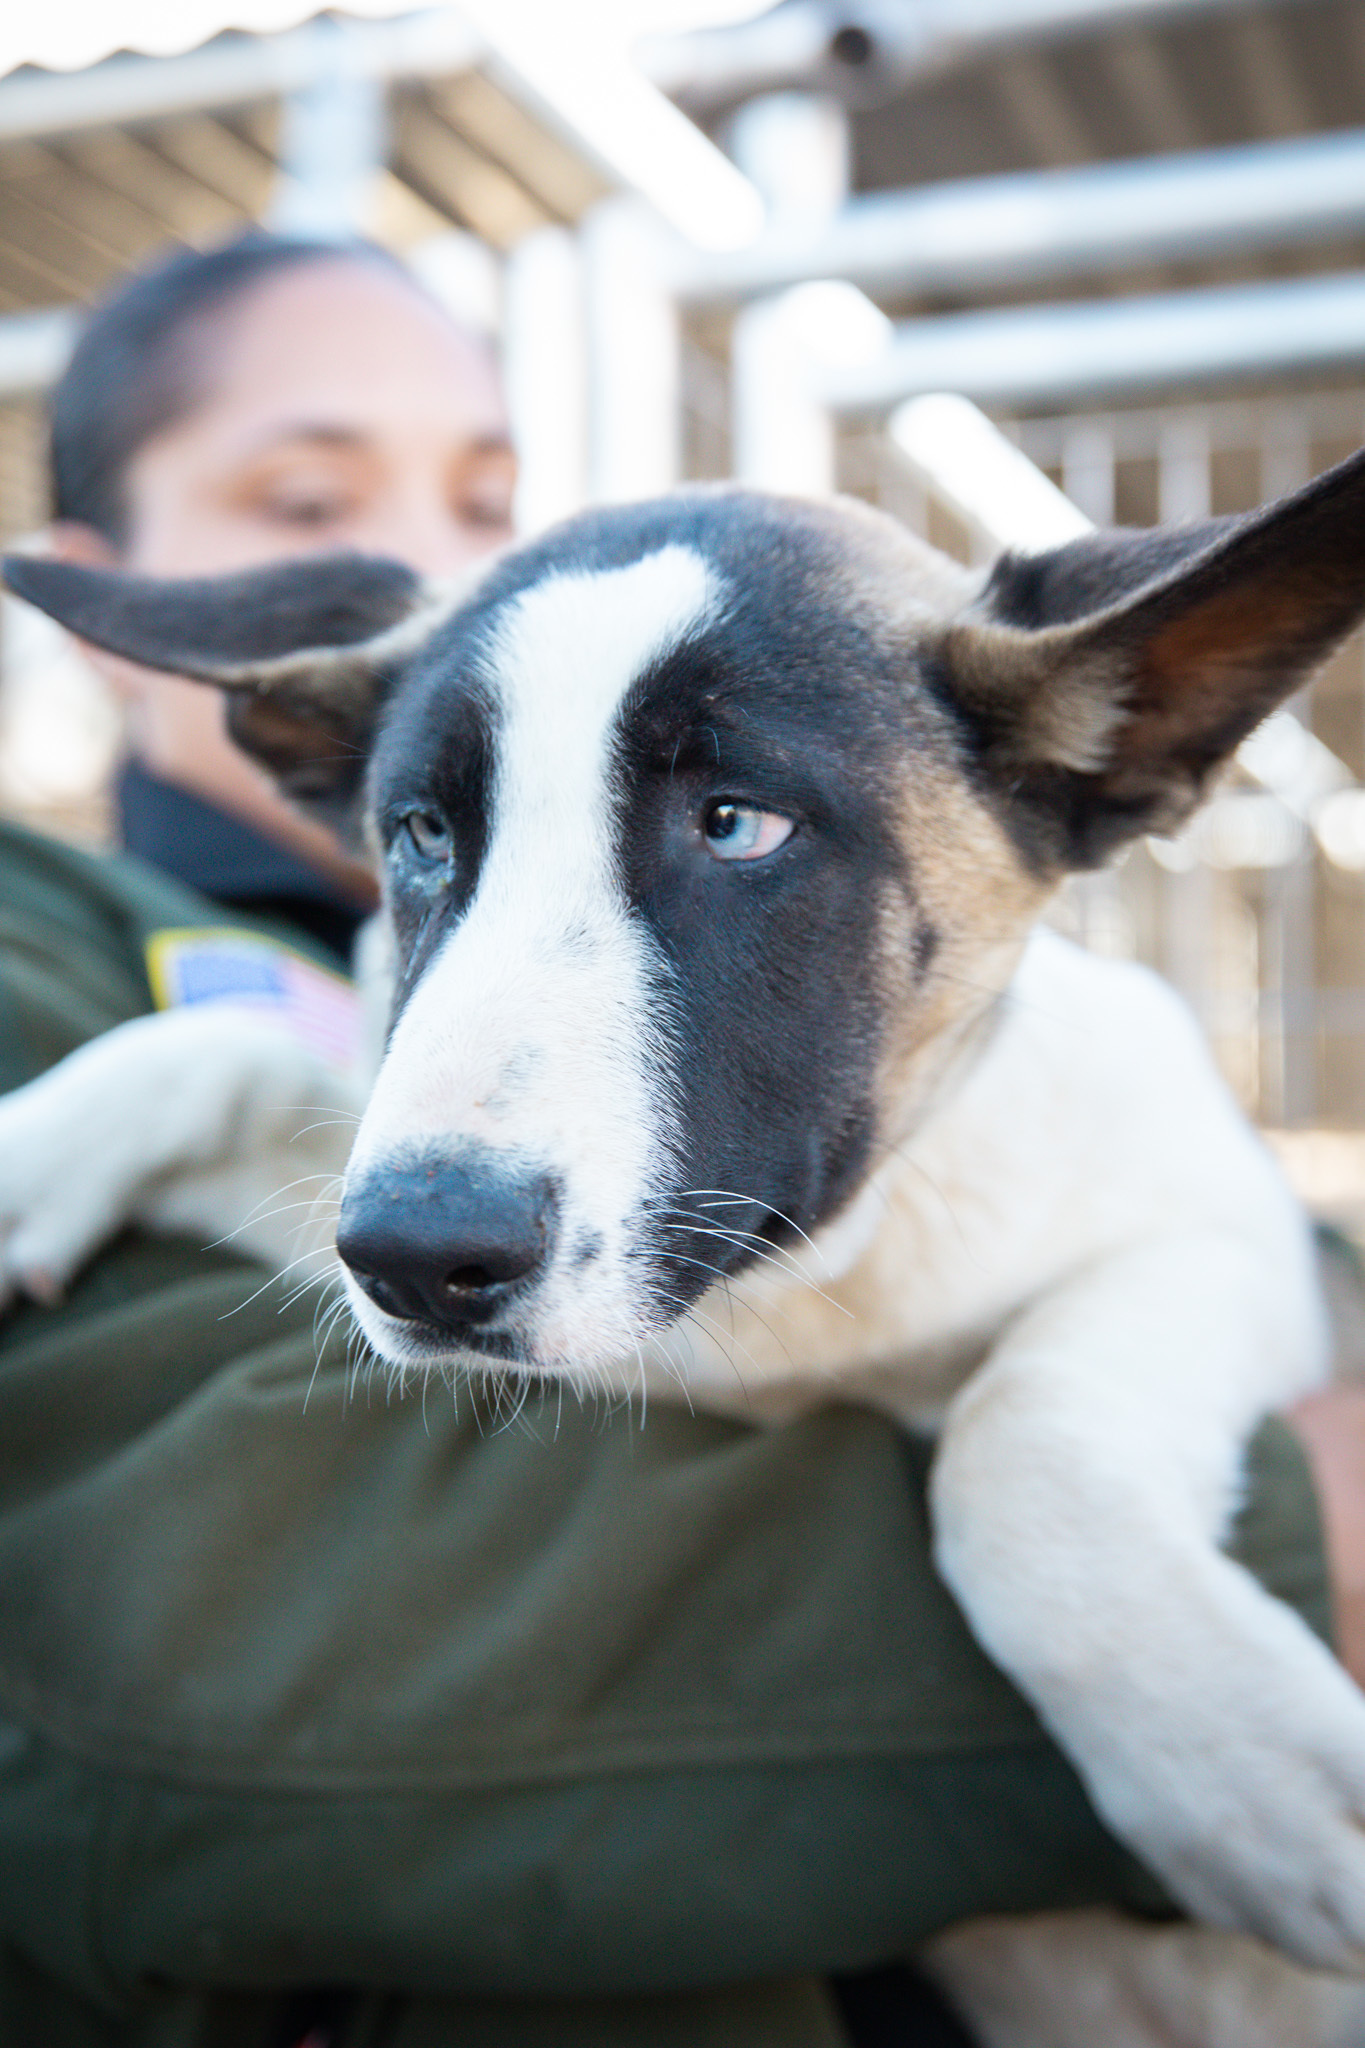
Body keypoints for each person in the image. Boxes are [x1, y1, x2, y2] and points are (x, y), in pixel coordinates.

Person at [0, 230, 1360, 2048]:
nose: (436, 558)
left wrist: (1059, 1500)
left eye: (734, 819)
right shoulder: (58, 934)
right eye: (308, 489)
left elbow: (1258, 1271)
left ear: (1101, 748)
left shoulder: (1092, 1073)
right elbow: (230, 1669)